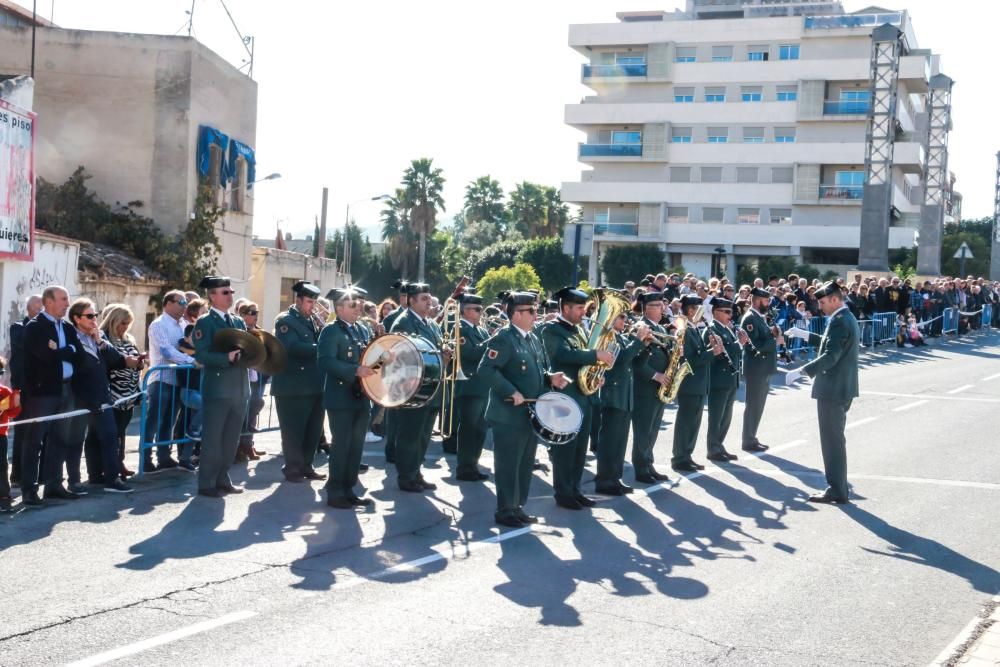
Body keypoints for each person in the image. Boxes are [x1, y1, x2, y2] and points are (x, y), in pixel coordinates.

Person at [478, 291, 570, 526]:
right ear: (516, 314)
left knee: (524, 463)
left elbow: (537, 370)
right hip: (508, 414)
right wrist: (510, 391)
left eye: (535, 310)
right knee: (508, 463)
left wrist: (551, 378)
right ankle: (505, 510)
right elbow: (486, 369)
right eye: (531, 311)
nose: (535, 314)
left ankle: (517, 506)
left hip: (530, 413)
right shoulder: (504, 338)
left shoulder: (532, 338)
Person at [540, 286, 614, 510]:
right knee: (565, 449)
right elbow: (561, 355)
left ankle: (575, 489)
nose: (584, 312)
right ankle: (563, 492)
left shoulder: (579, 329)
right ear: (566, 307)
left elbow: (581, 361)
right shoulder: (551, 329)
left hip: (583, 395)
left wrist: (595, 376)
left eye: (584, 308)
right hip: (566, 396)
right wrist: (595, 356)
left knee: (580, 449)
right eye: (580, 308)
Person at [785, 282, 859, 504]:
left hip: (833, 390)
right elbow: (830, 343)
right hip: (840, 388)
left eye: (823, 302)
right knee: (834, 439)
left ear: (835, 300)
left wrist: (802, 371)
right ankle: (838, 487)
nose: (820, 306)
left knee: (832, 441)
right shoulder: (843, 318)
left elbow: (831, 356)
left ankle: (837, 489)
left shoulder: (839, 321)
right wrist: (805, 335)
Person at [68, 298, 141, 494]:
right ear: (76, 318)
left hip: (101, 395)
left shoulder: (99, 337)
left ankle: (112, 478)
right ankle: (75, 481)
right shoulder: (70, 336)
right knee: (76, 440)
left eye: (95, 315)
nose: (94, 320)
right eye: (89, 316)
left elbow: (116, 360)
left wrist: (100, 341)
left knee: (110, 436)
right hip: (79, 395)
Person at [20, 285, 83, 504]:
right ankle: (29, 489)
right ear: (48, 302)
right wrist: (63, 353)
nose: (67, 304)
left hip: (66, 388)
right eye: (63, 299)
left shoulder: (66, 327)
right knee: (34, 441)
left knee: (60, 439)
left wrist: (59, 351)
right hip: (43, 392)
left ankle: (53, 485)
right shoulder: (35, 327)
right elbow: (44, 357)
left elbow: (79, 354)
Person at [192, 276, 249, 499]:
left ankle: (223, 478)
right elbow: (202, 354)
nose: (230, 296)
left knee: (231, 438)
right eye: (225, 292)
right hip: (218, 389)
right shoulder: (205, 323)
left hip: (239, 388)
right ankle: (207, 482)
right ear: (212, 295)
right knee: (213, 438)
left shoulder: (238, 322)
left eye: (231, 292)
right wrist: (226, 357)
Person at [317, 287, 375, 509]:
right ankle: (335, 490)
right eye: (353, 305)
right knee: (341, 445)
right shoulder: (331, 331)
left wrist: (383, 358)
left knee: (356, 445)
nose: (358, 307)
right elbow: (325, 362)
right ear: (339, 308)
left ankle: (349, 488)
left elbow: (368, 360)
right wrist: (354, 371)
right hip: (340, 397)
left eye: (359, 304)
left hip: (361, 396)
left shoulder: (360, 329)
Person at [390, 282, 449, 492]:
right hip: (412, 388)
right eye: (423, 299)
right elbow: (400, 355)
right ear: (411, 300)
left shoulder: (430, 323)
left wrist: (445, 355)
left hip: (430, 387)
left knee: (423, 435)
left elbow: (436, 350)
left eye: (429, 297)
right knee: (409, 434)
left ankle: (416, 472)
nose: (428, 302)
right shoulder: (403, 322)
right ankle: (406, 476)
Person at [272, 281, 327, 483]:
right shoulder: (286, 321)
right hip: (293, 386)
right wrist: (322, 347)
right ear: (298, 300)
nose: (313, 306)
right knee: (294, 430)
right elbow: (292, 347)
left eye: (314, 302)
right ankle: (293, 467)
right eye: (309, 302)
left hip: (314, 384)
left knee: (313, 429)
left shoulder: (313, 320)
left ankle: (307, 464)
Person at [594, 311, 649, 495]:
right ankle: (605, 480)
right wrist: (639, 340)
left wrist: (645, 347)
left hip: (625, 395)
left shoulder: (622, 338)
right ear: (611, 319)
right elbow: (621, 358)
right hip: (613, 394)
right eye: (622, 317)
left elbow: (633, 362)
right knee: (610, 441)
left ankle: (614, 478)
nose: (626, 321)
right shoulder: (607, 337)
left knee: (620, 441)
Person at [144, 290, 195, 473]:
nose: (185, 305)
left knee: (169, 421)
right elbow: (166, 351)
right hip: (161, 379)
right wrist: (191, 361)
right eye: (181, 301)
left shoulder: (184, 324)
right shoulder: (158, 324)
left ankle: (164, 457)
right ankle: (145, 459)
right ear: (168, 303)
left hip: (178, 380)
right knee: (154, 421)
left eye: (185, 302)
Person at [671, 295, 723, 472]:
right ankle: (679, 457)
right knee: (686, 422)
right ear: (691, 310)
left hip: (699, 383)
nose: (702, 314)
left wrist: (710, 349)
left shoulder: (693, 328)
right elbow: (689, 360)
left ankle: (687, 455)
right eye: (699, 309)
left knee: (694, 422)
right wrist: (712, 352)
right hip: (690, 383)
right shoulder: (684, 329)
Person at [630, 291, 672, 485]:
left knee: (653, 428)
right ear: (647, 308)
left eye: (662, 304)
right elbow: (636, 362)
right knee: (643, 429)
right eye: (657, 305)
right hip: (645, 387)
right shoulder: (640, 327)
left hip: (659, 387)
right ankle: (641, 468)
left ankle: (648, 463)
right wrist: (656, 375)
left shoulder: (660, 328)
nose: (662, 308)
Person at [99, 305, 144, 479]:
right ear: (114, 320)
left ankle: (120, 462)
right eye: (123, 323)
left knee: (122, 431)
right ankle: (107, 466)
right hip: (114, 392)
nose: (125, 327)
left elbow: (135, 358)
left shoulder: (129, 339)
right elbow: (110, 361)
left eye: (128, 323)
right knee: (112, 432)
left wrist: (139, 362)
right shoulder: (105, 338)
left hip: (129, 393)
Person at [738, 287, 782, 453]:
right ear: (757, 300)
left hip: (762, 367)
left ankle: (752, 437)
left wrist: (772, 333)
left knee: (758, 406)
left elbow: (762, 338)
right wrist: (775, 340)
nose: (768, 303)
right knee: (753, 406)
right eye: (766, 300)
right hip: (756, 367)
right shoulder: (750, 318)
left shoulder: (759, 317)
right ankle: (748, 439)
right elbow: (753, 346)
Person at [454, 293, 491, 482]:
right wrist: (492, 343)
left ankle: (473, 464)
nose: (480, 312)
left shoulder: (481, 331)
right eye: (477, 309)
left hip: (482, 386)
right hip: (468, 386)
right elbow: (469, 353)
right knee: (469, 429)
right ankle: (464, 467)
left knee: (480, 429)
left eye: (480, 309)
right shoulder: (459, 329)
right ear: (466, 311)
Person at [8, 293, 42, 487]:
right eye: (37, 307)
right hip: (22, 389)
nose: (40, 311)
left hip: (41, 389)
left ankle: (37, 475)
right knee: (22, 431)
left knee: (38, 433)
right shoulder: (18, 327)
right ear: (28, 309)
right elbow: (26, 344)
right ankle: (17, 475)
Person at [706, 298, 742, 463]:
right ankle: (713, 448)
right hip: (719, 379)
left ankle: (719, 445)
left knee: (726, 417)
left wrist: (739, 344)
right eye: (726, 312)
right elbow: (720, 354)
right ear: (716, 312)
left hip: (730, 379)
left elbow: (733, 352)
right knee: (716, 417)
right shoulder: (712, 330)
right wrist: (739, 343)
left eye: (731, 312)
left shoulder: (727, 329)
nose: (730, 315)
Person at [381, 280, 409, 464]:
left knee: (406, 416)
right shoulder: (392, 317)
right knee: (395, 414)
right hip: (394, 369)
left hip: (410, 371)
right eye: (405, 296)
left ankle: (402, 449)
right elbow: (385, 344)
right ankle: (391, 449)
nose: (407, 299)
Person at [238, 301, 268, 460]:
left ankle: (248, 444)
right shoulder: (237, 330)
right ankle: (238, 447)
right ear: (242, 314)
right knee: (241, 412)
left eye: (256, 312)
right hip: (242, 376)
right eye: (251, 312)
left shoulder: (260, 332)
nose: (255, 315)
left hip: (258, 377)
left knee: (255, 406)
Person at [0, 358, 22, 512]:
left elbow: (13, 412)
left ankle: (3, 496)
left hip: (1, 435)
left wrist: (16, 402)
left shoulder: (4, 391)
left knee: (2, 465)